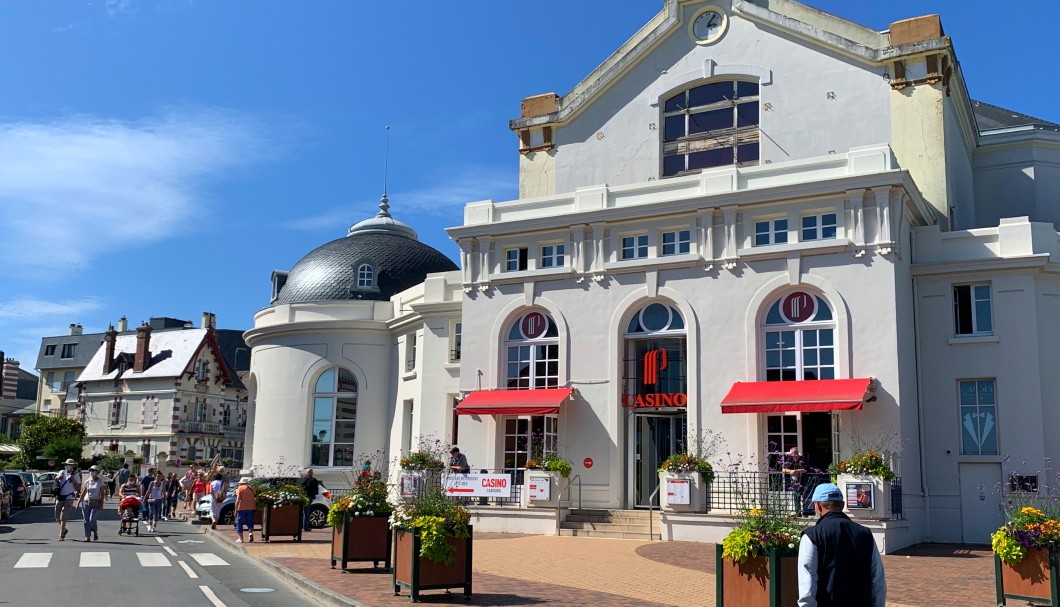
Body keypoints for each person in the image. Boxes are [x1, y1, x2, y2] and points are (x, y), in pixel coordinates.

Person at [797, 483, 886, 607]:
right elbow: (877, 579)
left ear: (817, 506)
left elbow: (808, 582)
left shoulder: (812, 536)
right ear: (842, 505)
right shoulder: (865, 533)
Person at [53, 458, 81, 541]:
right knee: (57, 516)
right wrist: (58, 478)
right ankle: (64, 530)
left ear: (72, 466)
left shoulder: (75, 474)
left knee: (63, 517)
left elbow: (78, 487)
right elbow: (56, 480)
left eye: (69, 465)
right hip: (60, 496)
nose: (67, 466)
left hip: (69, 497)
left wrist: (73, 479)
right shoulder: (62, 472)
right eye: (66, 465)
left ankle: (61, 534)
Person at [76, 466, 106, 542]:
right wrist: (78, 502)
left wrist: (102, 503)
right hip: (86, 502)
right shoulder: (87, 481)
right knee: (86, 521)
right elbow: (83, 492)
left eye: (93, 470)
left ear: (97, 472)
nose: (92, 472)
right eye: (91, 470)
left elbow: (102, 493)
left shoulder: (100, 481)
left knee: (92, 519)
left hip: (96, 502)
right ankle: (87, 536)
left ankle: (95, 531)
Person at [233, 477, 256, 543]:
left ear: (241, 483)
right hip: (251, 507)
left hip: (241, 507)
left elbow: (238, 500)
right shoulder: (252, 488)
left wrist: (235, 509)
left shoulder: (240, 488)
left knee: (239, 522)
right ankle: (250, 533)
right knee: (250, 521)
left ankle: (241, 538)